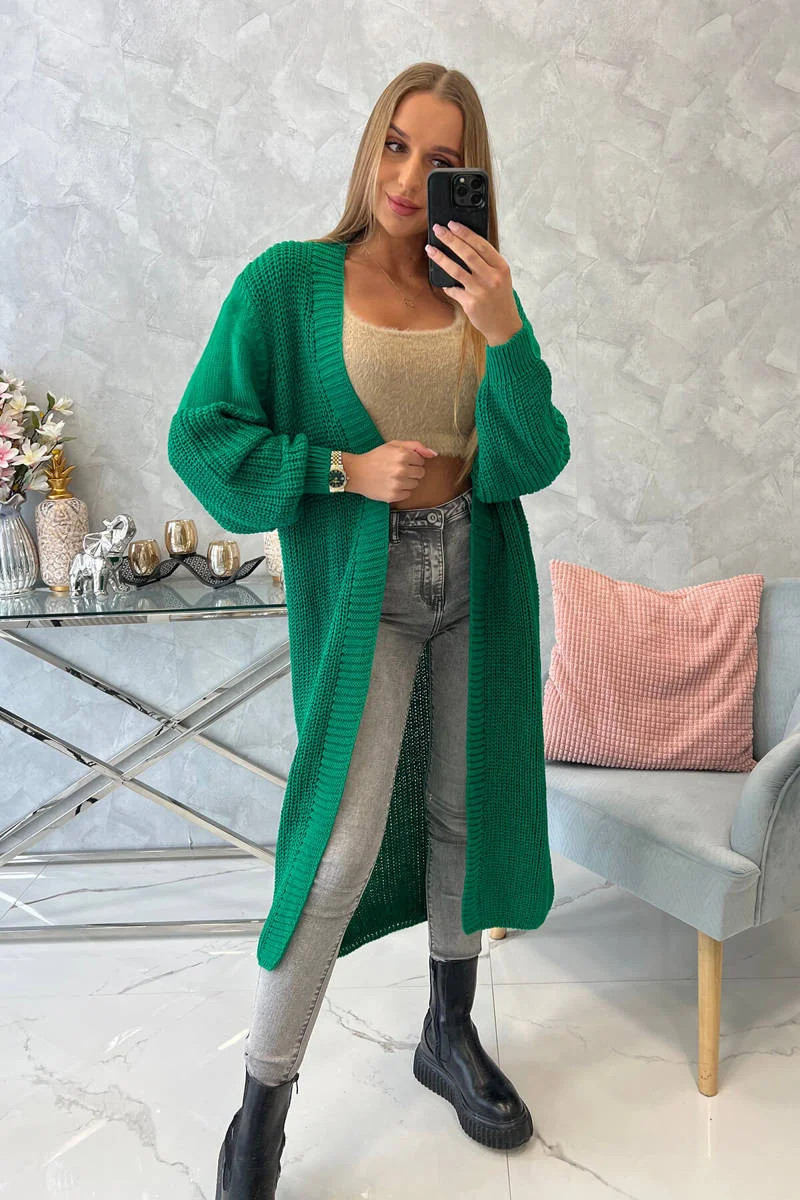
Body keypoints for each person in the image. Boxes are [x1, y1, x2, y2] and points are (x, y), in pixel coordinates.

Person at [168, 62, 571, 1200]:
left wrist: (505, 329)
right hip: (367, 593)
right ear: (368, 147)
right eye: (395, 145)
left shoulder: (480, 292)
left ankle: (448, 1032)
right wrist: (341, 469)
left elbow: (533, 457)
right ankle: (259, 1113)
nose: (407, 177)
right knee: (338, 849)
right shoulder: (290, 283)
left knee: (460, 813)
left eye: (441, 162)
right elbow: (204, 434)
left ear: (469, 179)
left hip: (478, 580)